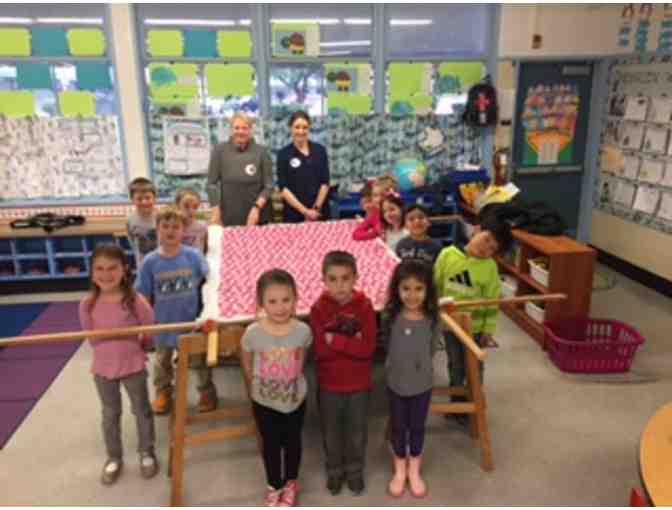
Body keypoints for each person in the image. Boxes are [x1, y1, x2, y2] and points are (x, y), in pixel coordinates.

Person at [79, 244, 158, 485]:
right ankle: (114, 456)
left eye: (112, 268)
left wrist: (139, 345)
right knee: (110, 413)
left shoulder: (135, 301)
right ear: (92, 272)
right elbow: (92, 338)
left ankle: (147, 451)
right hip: (103, 368)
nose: (106, 274)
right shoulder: (87, 304)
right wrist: (111, 347)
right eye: (100, 269)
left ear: (124, 269)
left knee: (141, 410)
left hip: (133, 364)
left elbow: (149, 328)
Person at [134, 207, 217, 415]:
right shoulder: (150, 262)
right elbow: (143, 296)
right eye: (165, 226)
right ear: (157, 229)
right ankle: (163, 393)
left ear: (183, 230)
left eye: (175, 227)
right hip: (163, 324)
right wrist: (145, 325)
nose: (170, 231)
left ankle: (206, 391)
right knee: (162, 362)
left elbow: (211, 279)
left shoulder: (193, 256)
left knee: (199, 360)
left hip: (192, 321)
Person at [241, 269, 312, 507]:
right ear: (261, 303)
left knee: (293, 443)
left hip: (295, 401)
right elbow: (247, 360)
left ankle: (291, 482)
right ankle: (274, 485)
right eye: (272, 301)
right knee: (271, 445)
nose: (280, 307)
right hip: (264, 402)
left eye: (286, 300)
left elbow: (302, 360)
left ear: (295, 299)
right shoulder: (253, 333)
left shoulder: (303, 331)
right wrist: (254, 386)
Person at [309, 251, 377, 496]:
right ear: (323, 280)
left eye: (346, 278)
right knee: (331, 433)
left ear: (356, 278)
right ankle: (335, 471)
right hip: (329, 385)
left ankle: (355, 471)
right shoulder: (318, 309)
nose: (339, 286)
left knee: (357, 432)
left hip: (359, 385)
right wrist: (351, 341)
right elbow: (320, 351)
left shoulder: (365, 307)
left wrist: (335, 341)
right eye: (333, 279)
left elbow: (368, 349)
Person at [433, 218, 513, 423]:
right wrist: (435, 312)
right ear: (476, 230)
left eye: (492, 249)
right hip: (450, 326)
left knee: (474, 367)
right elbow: (436, 285)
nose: (486, 248)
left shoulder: (489, 267)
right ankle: (457, 404)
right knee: (455, 364)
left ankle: (473, 401)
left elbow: (492, 301)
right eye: (487, 239)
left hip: (475, 329)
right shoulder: (447, 254)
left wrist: (488, 330)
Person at [382, 259, 442, 498]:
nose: (412, 295)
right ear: (397, 288)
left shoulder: (433, 318)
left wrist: (419, 365)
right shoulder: (390, 316)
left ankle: (414, 469)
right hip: (396, 383)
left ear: (428, 289)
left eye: (419, 288)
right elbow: (387, 343)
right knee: (398, 427)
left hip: (422, 384)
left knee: (417, 426)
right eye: (406, 288)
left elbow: (432, 348)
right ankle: (400, 469)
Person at [207, 113, 273, 227]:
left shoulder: (262, 152)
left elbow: (269, 186)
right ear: (231, 130)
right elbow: (211, 184)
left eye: (244, 128)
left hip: (257, 215)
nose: (240, 132)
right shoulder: (219, 151)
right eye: (236, 128)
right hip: (230, 216)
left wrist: (256, 208)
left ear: (250, 130)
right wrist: (216, 211)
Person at [277, 111, 331, 223]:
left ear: (309, 128)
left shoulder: (320, 151)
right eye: (297, 127)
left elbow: (325, 183)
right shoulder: (283, 154)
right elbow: (283, 189)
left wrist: (315, 209)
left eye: (305, 127)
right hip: (294, 215)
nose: (301, 131)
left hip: (319, 213)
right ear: (290, 128)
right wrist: (305, 212)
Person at [126, 177, 157, 268]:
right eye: (139, 199)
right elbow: (131, 239)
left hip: (160, 261)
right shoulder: (130, 219)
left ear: (154, 198)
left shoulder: (160, 217)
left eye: (148, 198)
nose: (144, 202)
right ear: (132, 200)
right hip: (142, 262)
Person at [351, 176, 393, 241]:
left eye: (383, 195)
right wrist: (374, 233)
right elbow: (356, 234)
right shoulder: (374, 215)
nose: (379, 199)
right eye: (375, 195)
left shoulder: (396, 213)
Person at [175, 187, 208, 253]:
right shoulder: (172, 226)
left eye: (195, 207)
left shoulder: (202, 227)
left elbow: (202, 251)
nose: (191, 210)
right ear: (178, 206)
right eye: (186, 206)